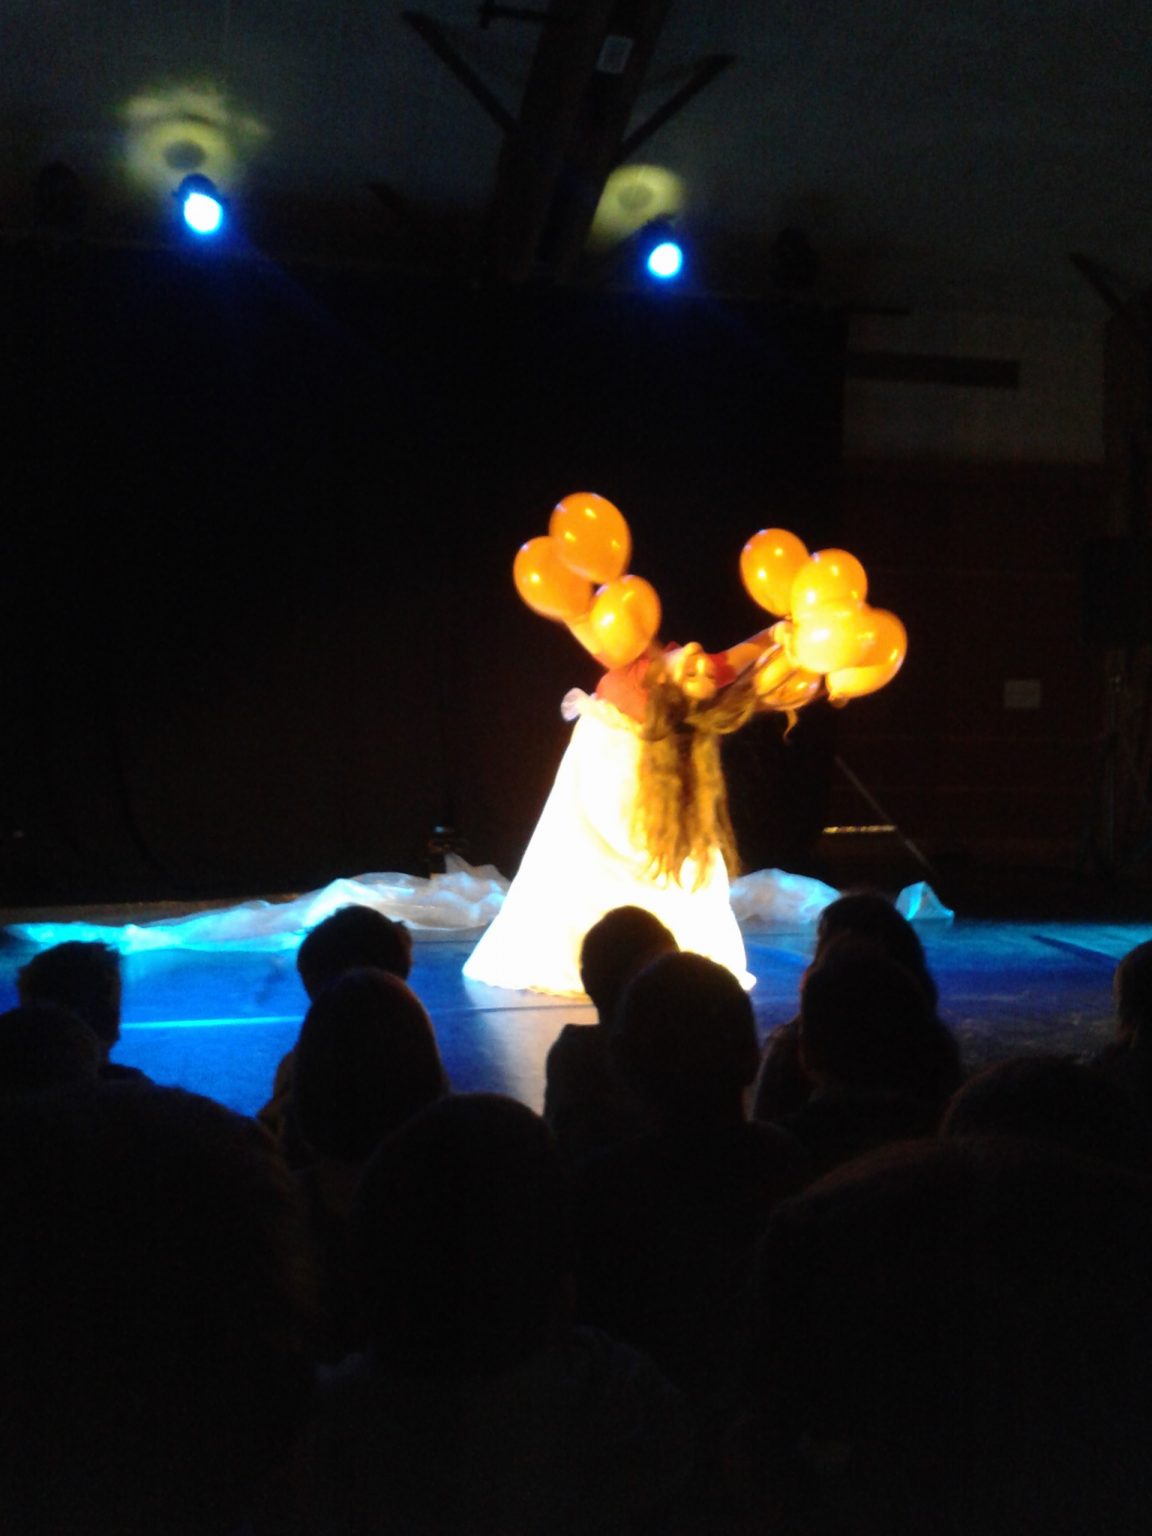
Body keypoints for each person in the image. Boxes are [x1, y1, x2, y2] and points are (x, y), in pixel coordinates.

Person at [463, 634, 777, 996]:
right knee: (617, 852)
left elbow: (587, 625)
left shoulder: (639, 682)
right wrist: (780, 632)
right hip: (625, 757)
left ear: (664, 683)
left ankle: (624, 952)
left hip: (620, 765)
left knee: (611, 849)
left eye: (695, 673)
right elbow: (736, 658)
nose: (703, 661)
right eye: (701, 671)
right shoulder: (672, 680)